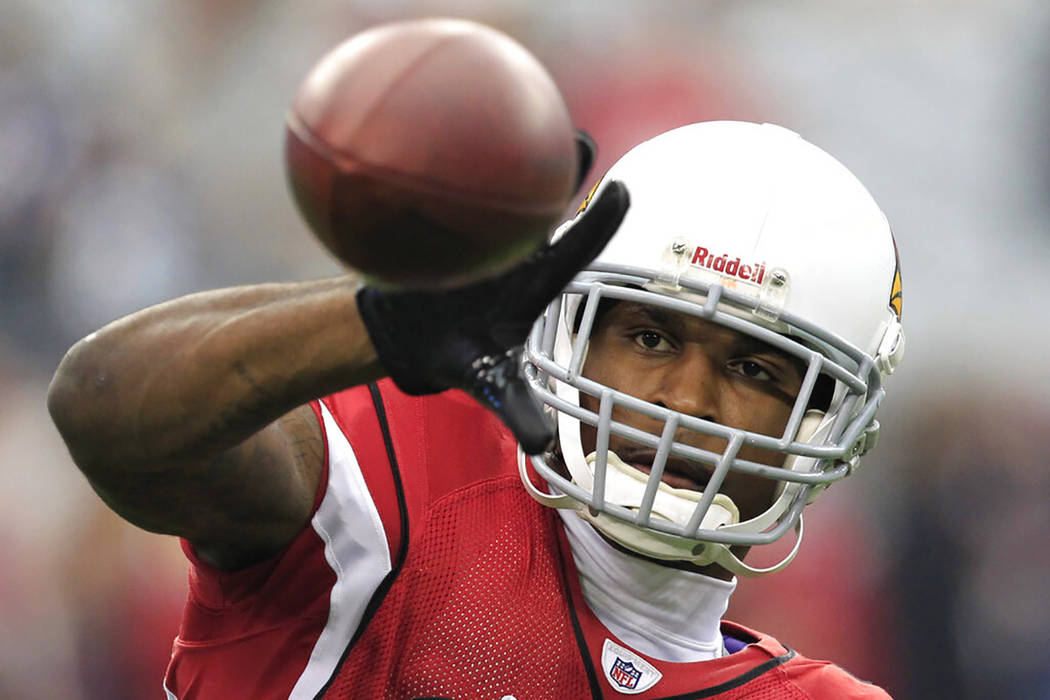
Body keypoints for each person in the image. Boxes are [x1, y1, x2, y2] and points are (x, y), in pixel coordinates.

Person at [48, 120, 905, 699]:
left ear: (828, 422)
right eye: (648, 338)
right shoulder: (400, 481)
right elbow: (105, 407)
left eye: (756, 369)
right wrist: (376, 322)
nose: (684, 401)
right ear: (566, 328)